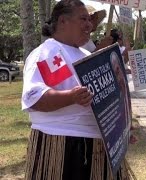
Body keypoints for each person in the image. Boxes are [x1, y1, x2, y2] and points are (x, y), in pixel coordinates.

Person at [21, 0, 127, 179]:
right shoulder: (52, 53)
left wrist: (121, 129)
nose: (89, 24)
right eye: (83, 19)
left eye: (90, 20)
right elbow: (35, 97)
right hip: (65, 144)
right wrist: (71, 97)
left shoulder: (86, 55)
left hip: (99, 147)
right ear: (63, 21)